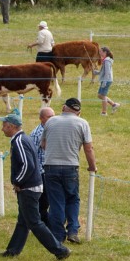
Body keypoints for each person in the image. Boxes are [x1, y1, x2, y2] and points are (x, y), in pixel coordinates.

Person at [0, 113, 70, 260]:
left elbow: (27, 165)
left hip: (28, 188)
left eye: (4, 126)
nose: (2, 129)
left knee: (35, 223)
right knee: (23, 221)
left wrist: (18, 182)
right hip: (32, 186)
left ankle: (60, 250)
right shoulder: (24, 138)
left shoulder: (19, 141)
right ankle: (12, 251)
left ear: (12, 126)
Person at [41, 97, 96, 245]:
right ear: (78, 112)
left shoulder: (51, 121)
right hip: (70, 166)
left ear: (64, 108)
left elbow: (43, 144)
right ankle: (72, 230)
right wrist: (92, 166)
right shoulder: (82, 123)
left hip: (50, 166)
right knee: (72, 198)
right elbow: (88, 148)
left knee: (56, 201)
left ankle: (58, 235)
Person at [97, 47, 120, 114]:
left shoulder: (107, 61)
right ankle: (114, 105)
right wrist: (97, 72)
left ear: (105, 52)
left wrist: (105, 81)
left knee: (103, 96)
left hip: (106, 80)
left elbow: (107, 72)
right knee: (99, 95)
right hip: (106, 80)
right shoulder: (106, 60)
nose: (99, 53)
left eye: (100, 52)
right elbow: (104, 71)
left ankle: (104, 112)